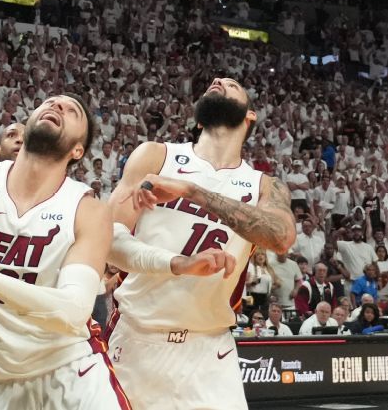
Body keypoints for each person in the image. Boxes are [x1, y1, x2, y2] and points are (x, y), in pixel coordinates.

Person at [106, 77, 296, 410]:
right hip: (136, 338)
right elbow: (106, 240)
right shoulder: (155, 156)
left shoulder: (264, 185)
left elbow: (280, 237)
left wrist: (193, 192)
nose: (218, 80)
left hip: (209, 350)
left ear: (250, 116)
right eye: (214, 82)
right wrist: (176, 263)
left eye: (231, 83)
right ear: (197, 120)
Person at [0, 96, 129, 409]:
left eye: (72, 110)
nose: (58, 106)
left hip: (68, 368)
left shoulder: (87, 211)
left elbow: (73, 310)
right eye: (51, 102)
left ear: (78, 151)